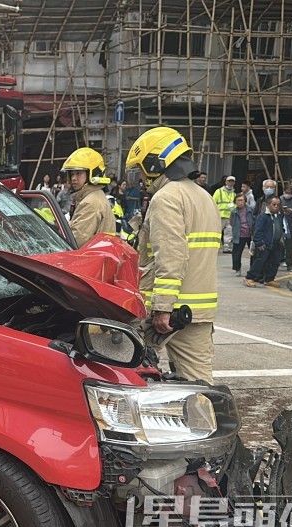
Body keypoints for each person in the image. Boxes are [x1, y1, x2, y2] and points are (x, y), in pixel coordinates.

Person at [127, 127, 221, 384]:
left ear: (155, 162)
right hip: (199, 311)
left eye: (143, 168)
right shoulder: (204, 196)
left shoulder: (166, 198)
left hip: (172, 310)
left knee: (130, 374)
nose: (143, 176)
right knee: (200, 384)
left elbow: (171, 256)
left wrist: (162, 308)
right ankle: (211, 423)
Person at [61, 147, 115, 247]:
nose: (73, 178)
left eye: (78, 173)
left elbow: (75, 241)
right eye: (72, 174)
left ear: (92, 174)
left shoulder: (90, 203)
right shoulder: (94, 196)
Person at [244, 196, 287, 288]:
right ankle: (249, 277)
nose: (276, 206)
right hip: (265, 244)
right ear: (268, 205)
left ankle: (269, 279)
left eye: (278, 205)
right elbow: (257, 230)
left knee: (274, 262)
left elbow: (281, 227)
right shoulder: (263, 217)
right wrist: (259, 242)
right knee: (260, 261)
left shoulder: (279, 216)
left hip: (276, 243)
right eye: (274, 204)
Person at [229, 194, 254, 277]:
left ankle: (253, 269)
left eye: (241, 200)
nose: (240, 202)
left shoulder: (251, 209)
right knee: (236, 253)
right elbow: (231, 222)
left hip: (250, 234)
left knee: (253, 252)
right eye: (238, 200)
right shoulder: (234, 212)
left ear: (245, 201)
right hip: (239, 234)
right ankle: (237, 269)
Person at [212, 175, 236, 253]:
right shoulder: (219, 191)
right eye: (229, 181)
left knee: (229, 233)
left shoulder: (234, 193)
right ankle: (215, 247)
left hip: (230, 216)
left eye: (232, 181)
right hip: (220, 215)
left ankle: (226, 248)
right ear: (225, 182)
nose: (230, 183)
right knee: (217, 232)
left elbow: (235, 204)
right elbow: (213, 202)